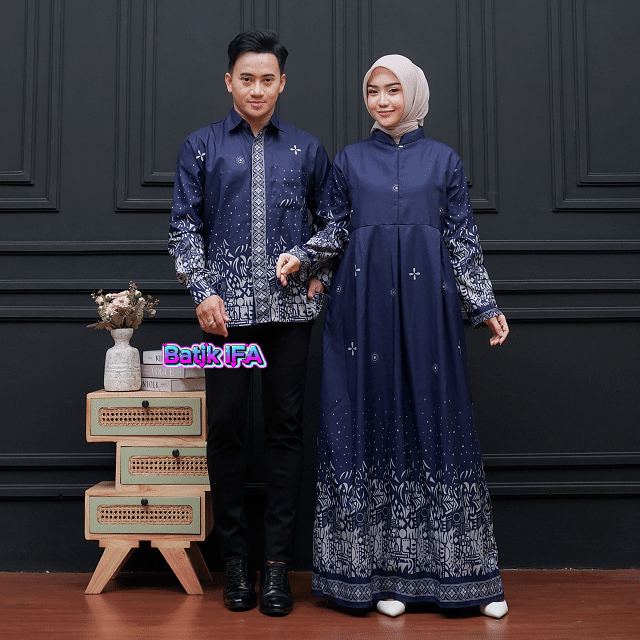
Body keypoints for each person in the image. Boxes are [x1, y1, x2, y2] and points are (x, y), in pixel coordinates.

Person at [276, 54, 509, 619]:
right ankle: (377, 578)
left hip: (430, 312)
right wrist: (303, 258)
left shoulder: (444, 160)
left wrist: (484, 304)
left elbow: (462, 240)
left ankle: (466, 577)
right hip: (363, 312)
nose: (381, 101)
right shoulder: (350, 160)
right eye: (373, 91)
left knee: (436, 422)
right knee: (368, 424)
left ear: (414, 95)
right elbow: (335, 229)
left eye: (392, 90)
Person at [168, 29, 332, 617]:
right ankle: (235, 561)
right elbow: (184, 227)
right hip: (223, 320)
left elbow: (336, 222)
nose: (256, 89)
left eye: (267, 79)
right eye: (246, 79)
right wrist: (203, 291)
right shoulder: (201, 147)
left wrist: (312, 264)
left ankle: (277, 566)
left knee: (286, 430)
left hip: (289, 316)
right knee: (227, 428)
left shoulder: (308, 149)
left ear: (281, 83)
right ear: (229, 82)